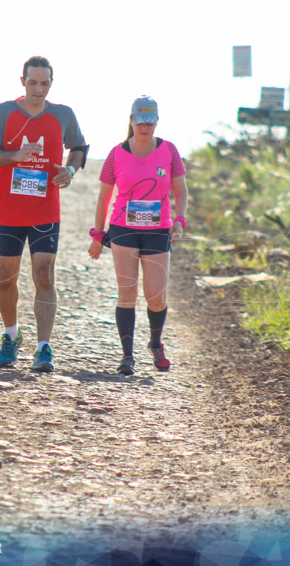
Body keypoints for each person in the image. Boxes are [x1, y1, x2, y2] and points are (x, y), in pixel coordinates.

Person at [0, 56, 88, 372]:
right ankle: (11, 335)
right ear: (22, 81)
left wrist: (70, 170)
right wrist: (16, 155)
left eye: (44, 83)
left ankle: (43, 347)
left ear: (50, 84)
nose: (38, 89)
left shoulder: (63, 115)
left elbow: (80, 148)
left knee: (44, 274)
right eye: (32, 82)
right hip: (10, 209)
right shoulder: (3, 112)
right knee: (5, 279)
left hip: (45, 208)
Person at [87, 96, 188, 375]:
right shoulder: (117, 153)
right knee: (127, 292)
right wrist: (98, 236)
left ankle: (156, 344)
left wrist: (179, 220)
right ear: (131, 121)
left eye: (149, 121)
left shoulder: (169, 151)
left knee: (156, 295)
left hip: (157, 230)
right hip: (124, 229)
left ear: (156, 122)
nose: (144, 126)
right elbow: (104, 198)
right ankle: (127, 356)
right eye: (140, 121)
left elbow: (181, 191)